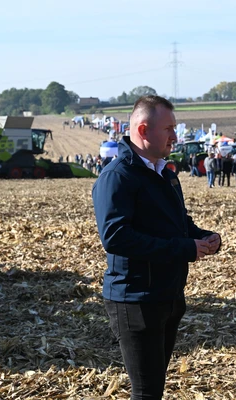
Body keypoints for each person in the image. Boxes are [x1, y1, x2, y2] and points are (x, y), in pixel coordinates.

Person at [92, 95, 221, 400]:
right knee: (146, 393)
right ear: (144, 129)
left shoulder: (165, 173)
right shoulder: (118, 177)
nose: (175, 136)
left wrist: (203, 237)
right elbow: (116, 237)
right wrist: (184, 248)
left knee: (154, 389)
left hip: (167, 295)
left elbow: (177, 224)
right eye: (170, 129)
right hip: (135, 299)